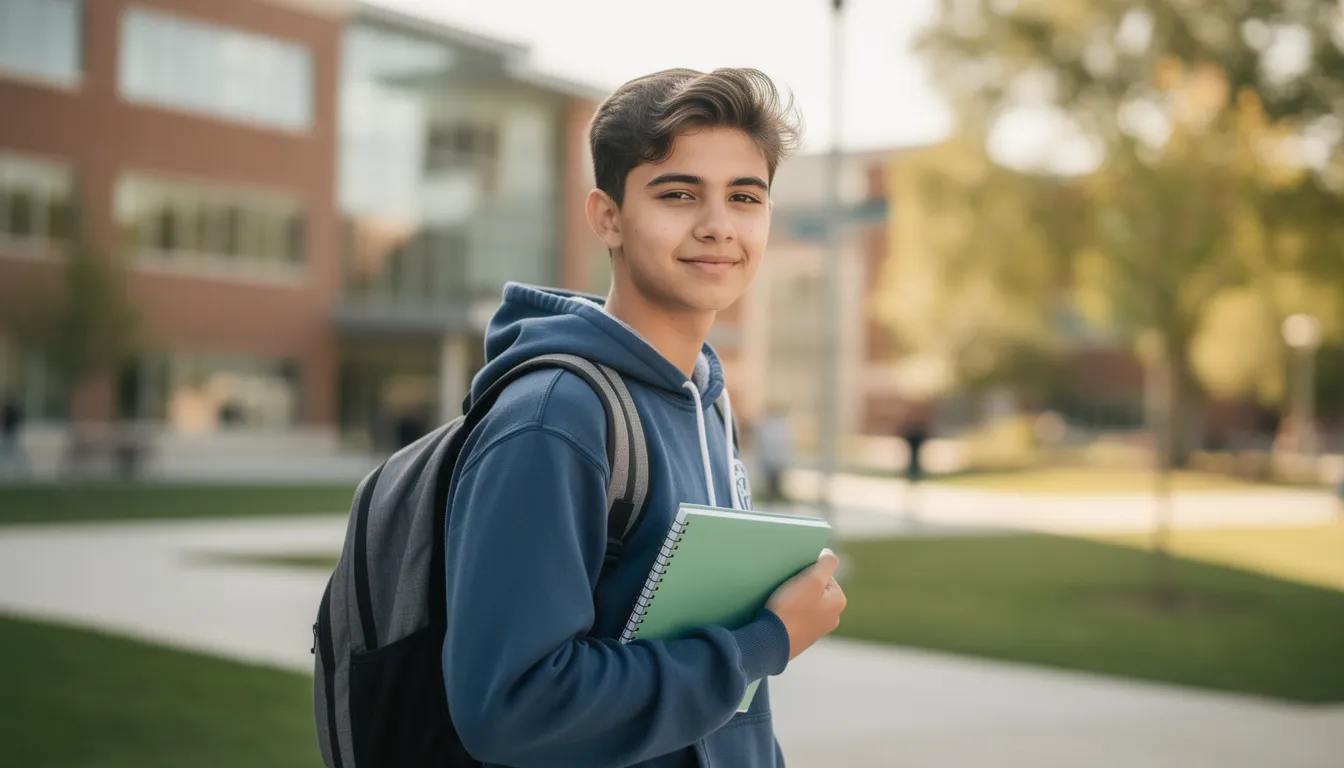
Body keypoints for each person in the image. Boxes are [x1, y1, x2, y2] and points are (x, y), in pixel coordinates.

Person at [442, 68, 847, 767]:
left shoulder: (706, 402)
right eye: (678, 193)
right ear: (608, 217)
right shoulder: (555, 418)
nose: (719, 224)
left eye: (744, 197)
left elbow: (722, 703)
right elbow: (510, 707)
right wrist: (767, 642)